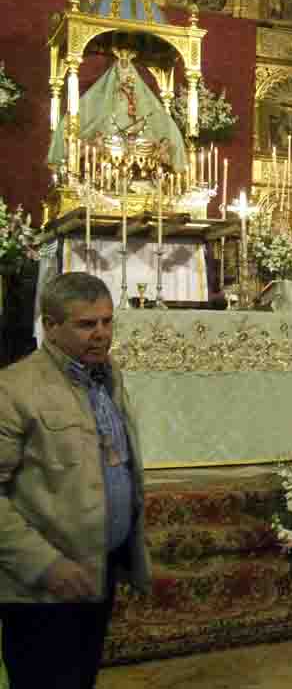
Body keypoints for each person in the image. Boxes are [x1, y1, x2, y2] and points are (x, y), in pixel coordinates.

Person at [0, 272, 151, 688]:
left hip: (94, 572)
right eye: (86, 324)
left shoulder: (106, 377)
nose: (101, 334)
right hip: (42, 586)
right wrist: (44, 564)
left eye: (107, 322)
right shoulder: (14, 390)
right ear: (50, 326)